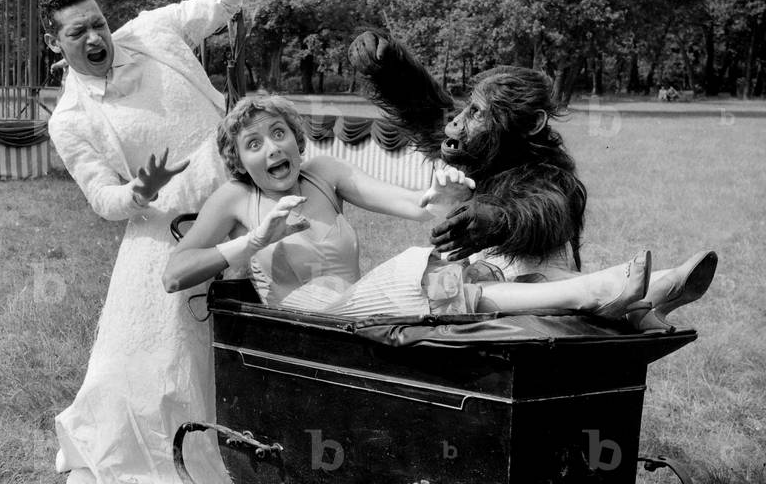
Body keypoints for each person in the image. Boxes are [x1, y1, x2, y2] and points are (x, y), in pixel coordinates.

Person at [44, 0, 252, 484]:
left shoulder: (154, 32)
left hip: (244, 198)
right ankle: (174, 459)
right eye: (77, 32)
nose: (95, 38)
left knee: (260, 331)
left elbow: (218, 5)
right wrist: (135, 192)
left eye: (98, 24)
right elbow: (102, 200)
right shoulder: (71, 119)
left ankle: (266, 445)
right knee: (155, 362)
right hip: (166, 234)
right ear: (55, 42)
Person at [164, 94, 712, 325]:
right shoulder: (236, 198)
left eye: (278, 133)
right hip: (312, 324)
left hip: (357, 313)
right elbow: (174, 273)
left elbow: (413, 205)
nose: (272, 149)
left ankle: (639, 299)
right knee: (421, 271)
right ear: (238, 159)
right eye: (254, 144)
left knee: (486, 267)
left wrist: (442, 199)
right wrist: (255, 239)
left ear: (295, 137)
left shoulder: (323, 173)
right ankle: (590, 294)